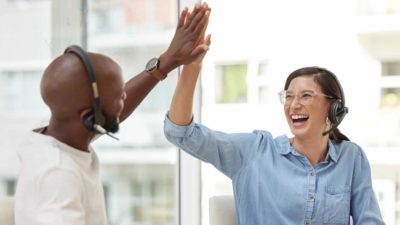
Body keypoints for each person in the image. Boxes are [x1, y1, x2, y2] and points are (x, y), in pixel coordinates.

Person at [14, 3, 211, 225]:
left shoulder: (56, 131)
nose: (124, 98)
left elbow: (110, 111)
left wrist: (167, 62)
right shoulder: (58, 177)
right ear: (88, 116)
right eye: (118, 98)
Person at [164, 44, 386, 223]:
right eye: (288, 97)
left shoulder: (351, 158)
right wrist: (192, 68)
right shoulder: (254, 152)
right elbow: (180, 133)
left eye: (306, 96)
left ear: (333, 108)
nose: (294, 105)